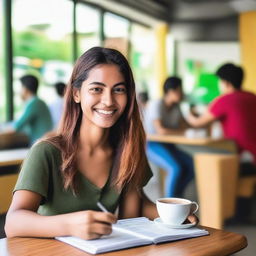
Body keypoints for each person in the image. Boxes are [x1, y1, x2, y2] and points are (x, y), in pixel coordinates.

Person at [4, 47, 198, 240]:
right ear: (76, 94)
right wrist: (70, 224)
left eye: (119, 90)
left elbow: (137, 206)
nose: (108, 101)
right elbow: (13, 223)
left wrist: (174, 215)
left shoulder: (127, 150)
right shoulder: (46, 151)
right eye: (97, 89)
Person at [187, 63, 256, 173]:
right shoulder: (252, 96)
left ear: (225, 83)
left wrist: (189, 112)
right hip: (252, 156)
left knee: (198, 157)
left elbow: (198, 123)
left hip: (242, 158)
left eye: (219, 81)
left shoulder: (224, 100)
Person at [144, 76, 194, 197]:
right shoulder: (156, 104)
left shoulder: (176, 107)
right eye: (180, 90)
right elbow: (161, 130)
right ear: (172, 91)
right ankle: (169, 203)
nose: (182, 93)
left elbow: (186, 126)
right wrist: (183, 132)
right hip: (152, 145)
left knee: (192, 166)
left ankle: (178, 197)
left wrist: (193, 120)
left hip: (169, 146)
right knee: (175, 168)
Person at [2, 75, 53, 144]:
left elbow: (16, 127)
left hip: (40, 145)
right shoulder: (38, 102)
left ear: (25, 89)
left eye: (20, 88)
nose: (19, 92)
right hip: (42, 143)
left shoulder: (34, 103)